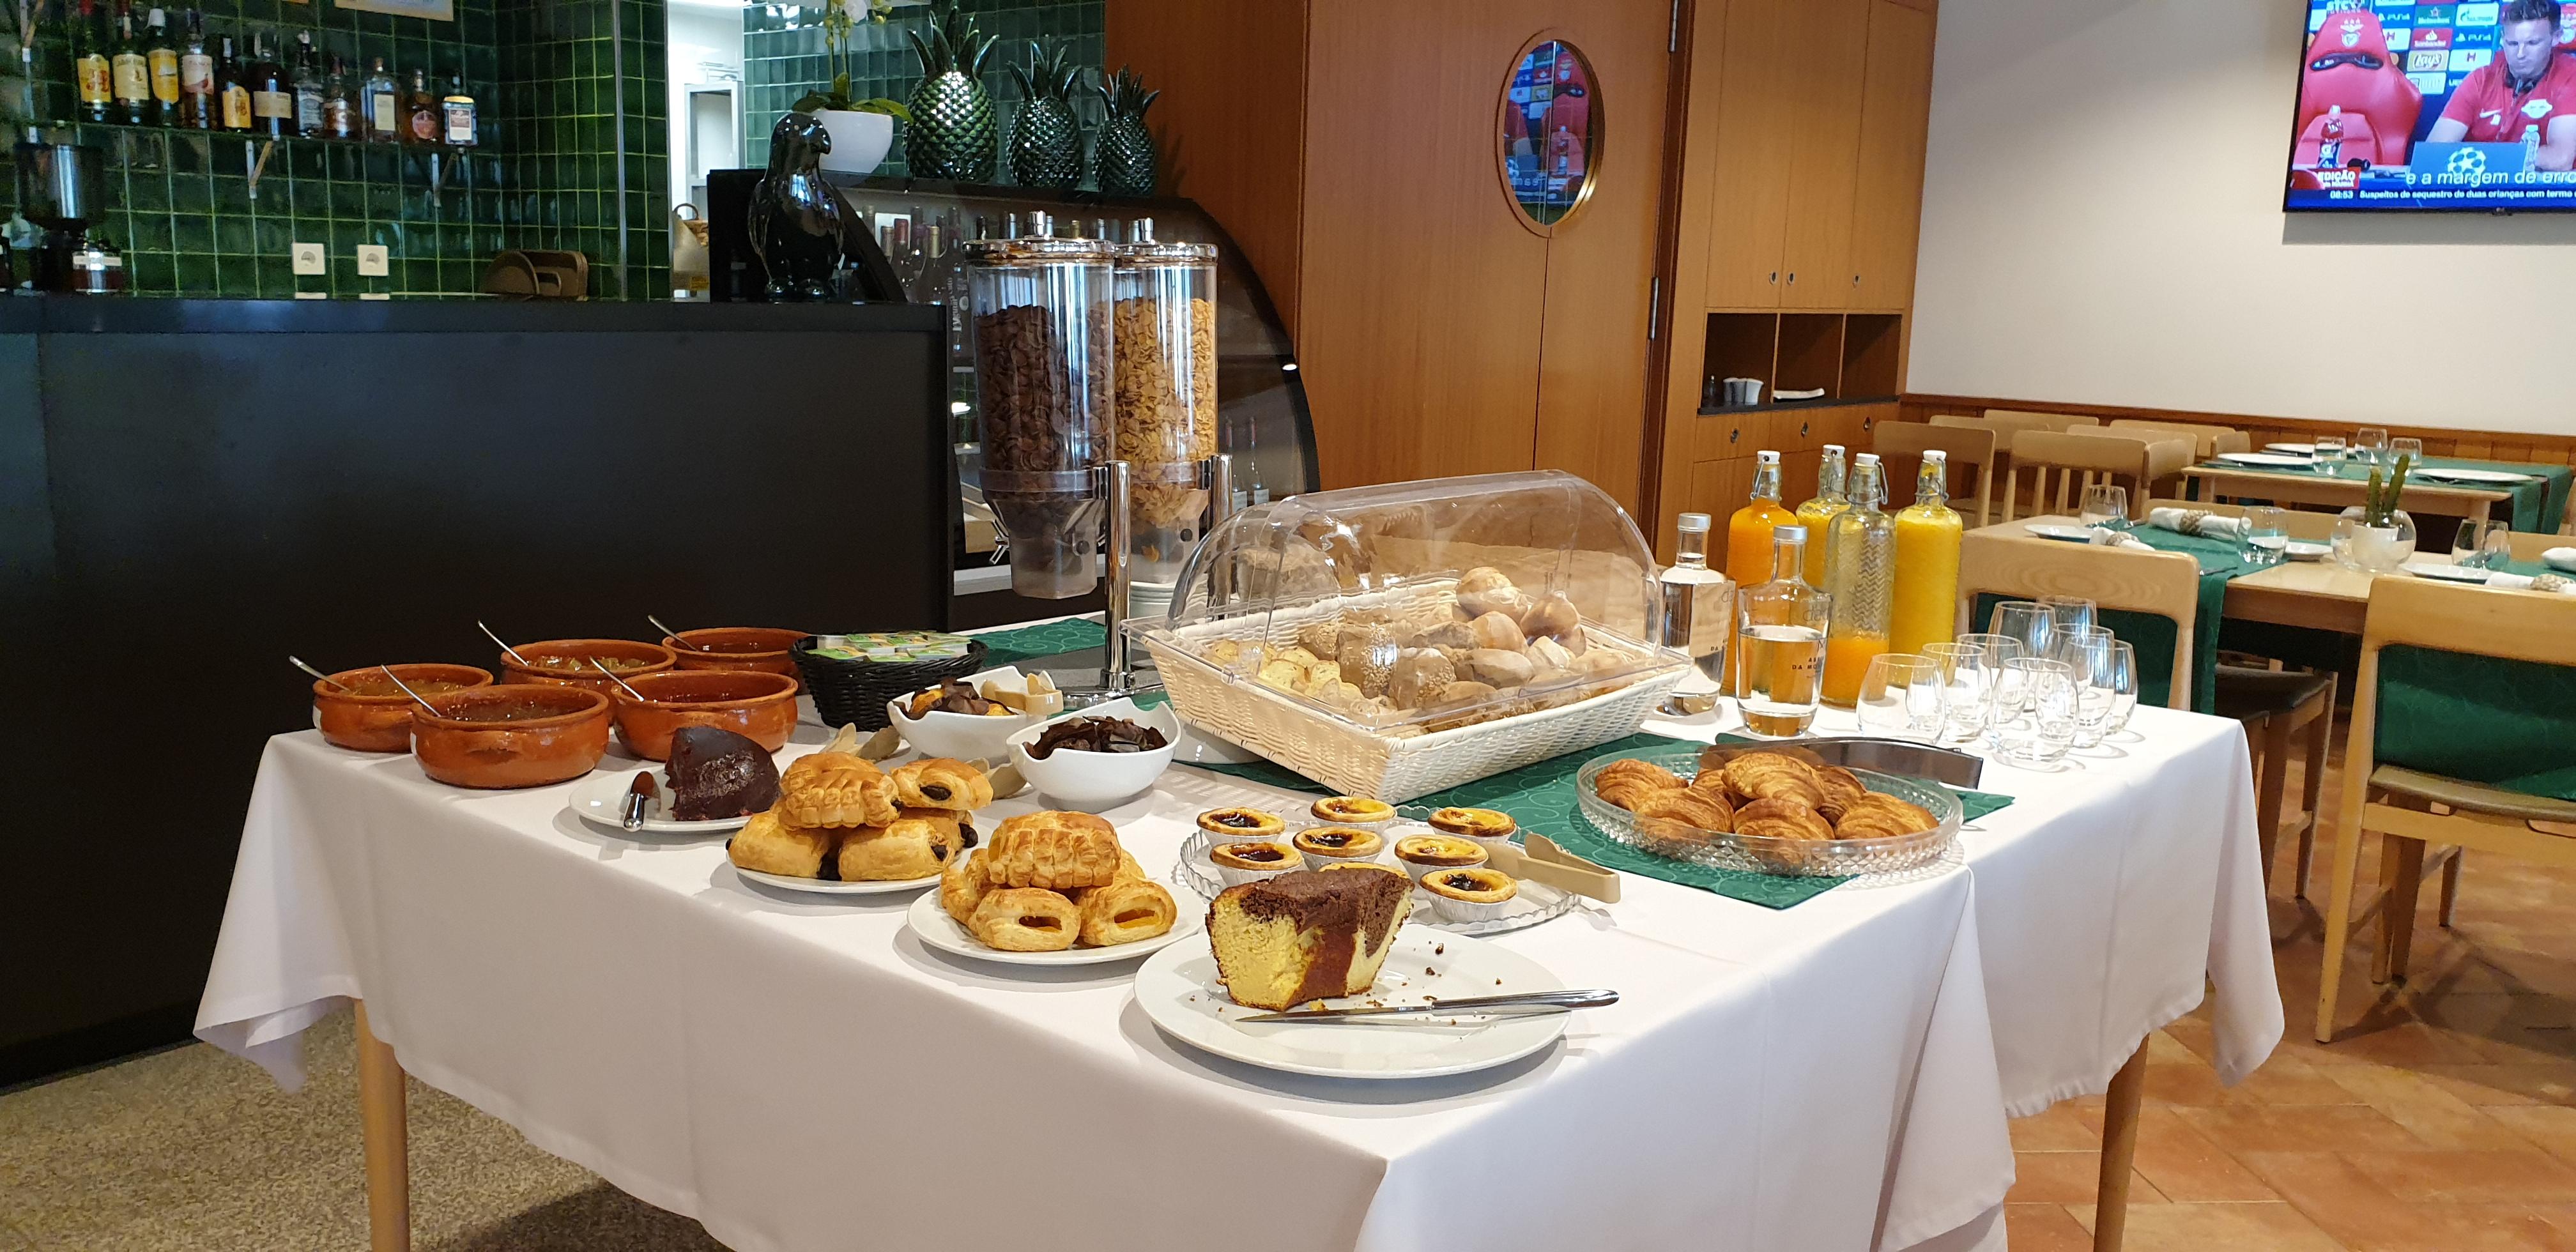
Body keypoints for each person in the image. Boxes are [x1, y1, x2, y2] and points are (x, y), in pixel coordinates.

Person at [2427, 0, 2576, 171]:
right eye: (2513, 44)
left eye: (2532, 43)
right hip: (2477, 191)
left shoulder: (2570, 76)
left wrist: (2489, 159)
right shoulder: (2480, 80)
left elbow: (2560, 159)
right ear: (2503, 40)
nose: (2520, 54)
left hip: (2543, 196)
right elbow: (2433, 154)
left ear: (2556, 37)